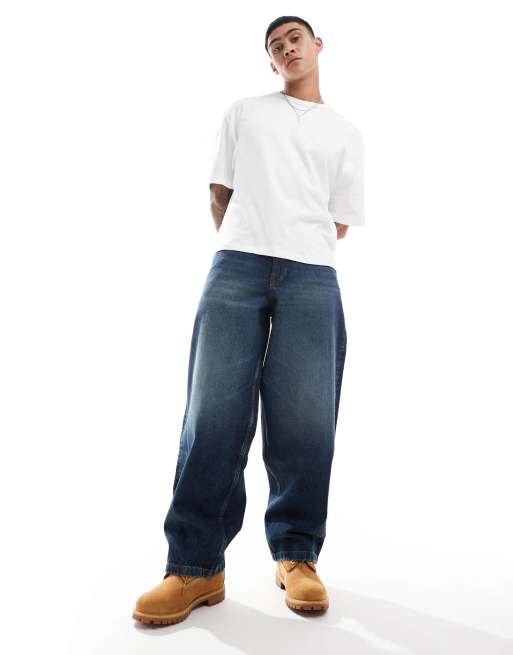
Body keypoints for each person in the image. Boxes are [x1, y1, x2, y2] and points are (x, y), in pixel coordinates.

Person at [133, 14, 365, 625]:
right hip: (237, 265)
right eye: (276, 45)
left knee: (306, 417)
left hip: (312, 273)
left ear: (318, 44)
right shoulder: (246, 112)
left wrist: (293, 237)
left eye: (295, 39)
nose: (287, 49)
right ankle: (194, 566)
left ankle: (297, 555)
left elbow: (340, 220)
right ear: (271, 61)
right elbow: (219, 192)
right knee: (212, 411)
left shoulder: (346, 133)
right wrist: (248, 242)